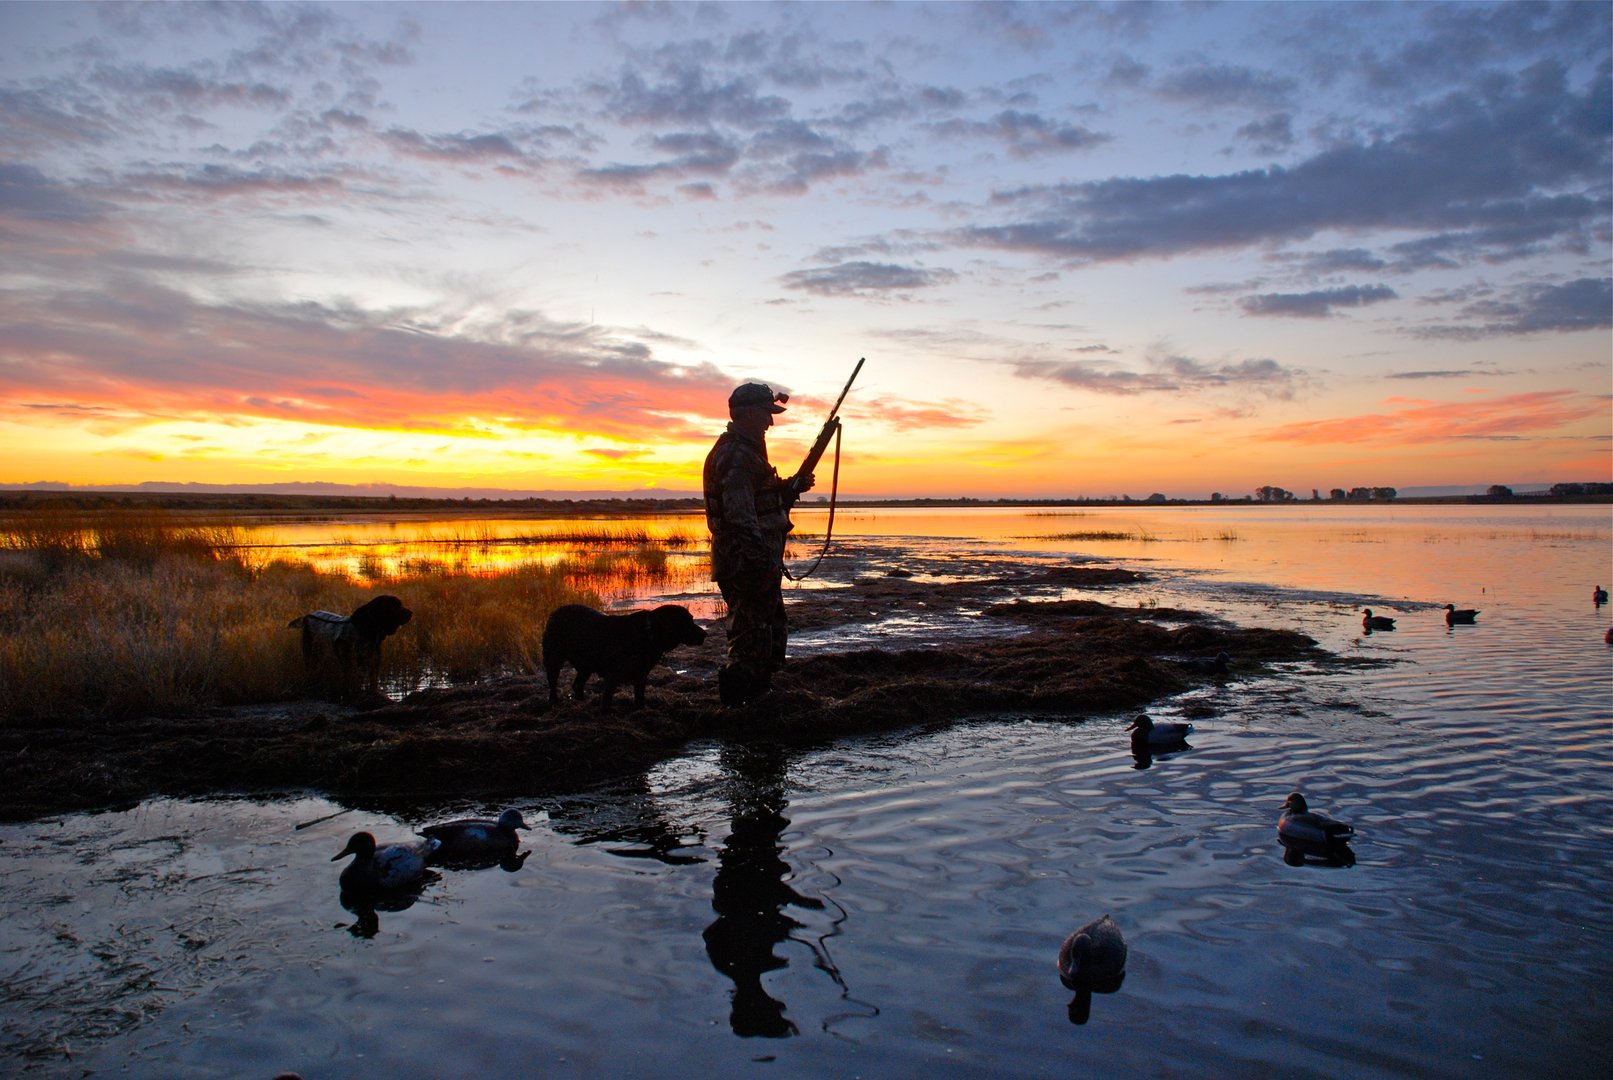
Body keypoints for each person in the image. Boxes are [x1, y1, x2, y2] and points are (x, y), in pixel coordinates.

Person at [703, 381, 813, 706]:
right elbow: (739, 513)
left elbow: (757, 497)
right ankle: (739, 706)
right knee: (749, 635)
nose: (770, 422)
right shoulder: (737, 455)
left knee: (767, 630)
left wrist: (789, 488)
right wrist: (760, 558)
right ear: (749, 413)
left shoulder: (746, 451)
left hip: (754, 559)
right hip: (746, 561)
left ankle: (758, 696)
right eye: (766, 413)